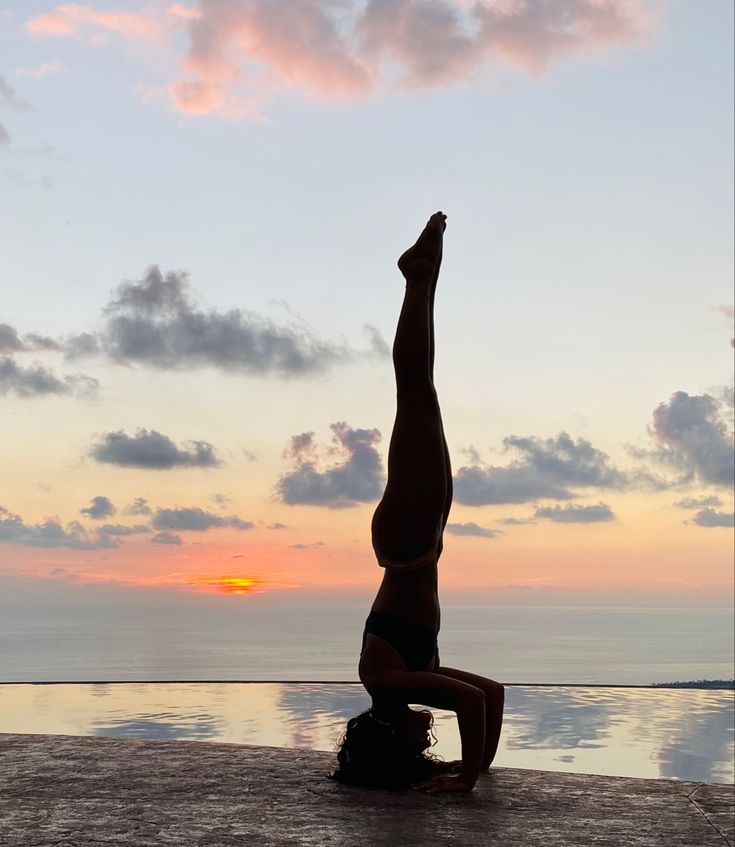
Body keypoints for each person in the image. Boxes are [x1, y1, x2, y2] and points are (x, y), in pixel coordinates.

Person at [330, 212, 505, 794]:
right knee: (422, 394)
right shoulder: (408, 679)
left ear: (391, 739)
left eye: (419, 745)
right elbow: (490, 695)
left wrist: (468, 779)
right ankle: (421, 279)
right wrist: (471, 769)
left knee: (417, 392)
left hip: (407, 543)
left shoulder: (387, 684)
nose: (426, 739)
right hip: (420, 540)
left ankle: (416, 279)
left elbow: (470, 704)